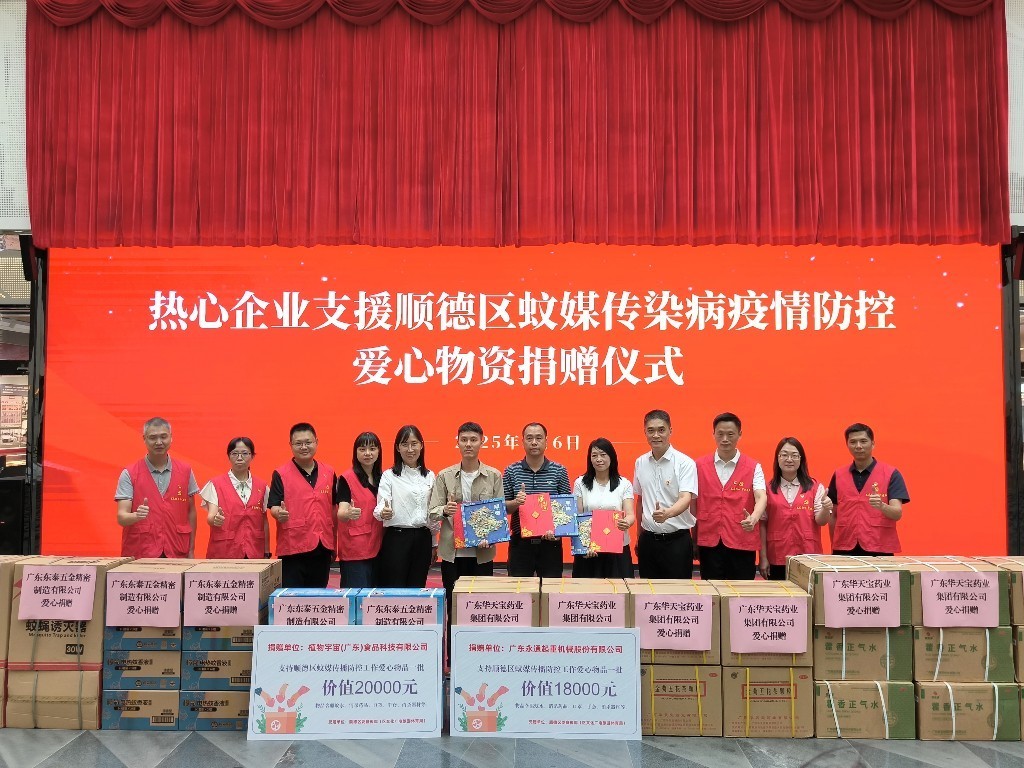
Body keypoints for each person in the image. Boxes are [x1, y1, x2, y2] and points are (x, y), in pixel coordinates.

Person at [429, 421, 502, 657]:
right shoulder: (444, 476)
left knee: (481, 607)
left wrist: (490, 536)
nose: (468, 444)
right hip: (453, 553)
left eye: (473, 440)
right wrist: (445, 510)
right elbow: (432, 511)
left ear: (482, 442)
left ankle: (479, 654)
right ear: (458, 443)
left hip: (482, 553)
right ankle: (454, 656)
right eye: (464, 440)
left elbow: (499, 514)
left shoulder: (494, 476)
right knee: (454, 605)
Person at [268, 422, 345, 588]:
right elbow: (274, 505)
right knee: (292, 598)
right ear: (290, 445)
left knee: (317, 596)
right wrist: (278, 513)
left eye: (308, 442)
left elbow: (333, 509)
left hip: (322, 547)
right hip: (293, 548)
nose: (304, 447)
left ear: (316, 442)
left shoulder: (329, 472)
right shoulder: (280, 474)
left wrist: (334, 544)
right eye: (298, 443)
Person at [692, 412, 767, 580]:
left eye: (730, 434)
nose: (725, 439)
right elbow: (692, 505)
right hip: (709, 541)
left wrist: (754, 518)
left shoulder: (753, 467)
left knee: (741, 592)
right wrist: (693, 538)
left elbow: (761, 496)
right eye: (720, 434)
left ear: (740, 434)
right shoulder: (698, 466)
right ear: (713, 434)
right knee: (711, 590)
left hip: (742, 539)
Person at [115, 417, 199, 558]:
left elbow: (191, 512)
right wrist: (136, 516)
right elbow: (121, 517)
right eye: (153, 437)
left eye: (163, 437)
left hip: (177, 549)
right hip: (142, 551)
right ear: (144, 439)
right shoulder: (130, 473)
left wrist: (191, 550)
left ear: (171, 437)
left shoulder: (185, 471)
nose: (159, 442)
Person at [632, 409, 698, 579]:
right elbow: (640, 500)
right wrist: (639, 536)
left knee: (678, 592)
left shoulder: (685, 463)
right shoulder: (640, 462)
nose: (656, 435)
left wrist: (667, 514)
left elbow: (686, 498)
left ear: (670, 431)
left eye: (661, 430)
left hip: (677, 542)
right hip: (648, 541)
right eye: (651, 430)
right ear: (645, 432)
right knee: (648, 591)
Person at [827, 423, 910, 557]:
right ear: (847, 445)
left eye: (863, 441)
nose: (858, 446)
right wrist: (833, 546)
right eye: (853, 442)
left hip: (879, 547)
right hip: (844, 547)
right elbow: (833, 515)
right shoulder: (839, 474)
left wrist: (882, 506)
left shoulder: (891, 474)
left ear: (873, 444)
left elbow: (897, 513)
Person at [502, 422, 571, 578]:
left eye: (539, 438)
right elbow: (503, 508)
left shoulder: (559, 470)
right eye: (529, 438)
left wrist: (557, 532)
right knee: (519, 589)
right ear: (522, 441)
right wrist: (516, 502)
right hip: (520, 543)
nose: (534, 442)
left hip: (550, 543)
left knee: (551, 590)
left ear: (546, 441)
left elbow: (567, 507)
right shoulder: (511, 470)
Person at [758, 437, 832, 580]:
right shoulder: (767, 489)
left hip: (809, 555)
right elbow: (762, 525)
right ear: (777, 458)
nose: (789, 459)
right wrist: (763, 557)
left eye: (794, 455)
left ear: (801, 459)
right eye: (784, 455)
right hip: (778, 555)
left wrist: (825, 508)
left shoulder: (815, 487)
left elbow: (821, 521)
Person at [374, 425, 437, 587]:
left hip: (423, 539)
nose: (410, 449)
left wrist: (434, 543)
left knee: (418, 587)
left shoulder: (430, 476)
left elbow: (432, 513)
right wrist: (383, 512)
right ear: (397, 448)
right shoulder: (389, 475)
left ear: (421, 445)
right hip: (397, 539)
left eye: (414, 444)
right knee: (394, 587)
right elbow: (381, 505)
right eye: (405, 444)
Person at [572, 438, 635, 579]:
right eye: (594, 455)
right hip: (589, 549)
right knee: (587, 590)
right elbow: (577, 516)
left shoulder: (624, 484)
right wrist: (583, 546)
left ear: (611, 457)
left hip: (617, 548)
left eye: (603, 455)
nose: (598, 459)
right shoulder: (580, 483)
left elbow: (630, 515)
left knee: (619, 590)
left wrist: (627, 522)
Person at [200, 437, 270, 559]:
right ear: (228, 456)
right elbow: (211, 515)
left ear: (252, 456)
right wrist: (215, 519)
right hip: (224, 551)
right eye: (235, 453)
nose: (239, 457)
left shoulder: (263, 486)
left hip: (254, 551)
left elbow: (264, 521)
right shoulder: (215, 484)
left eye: (245, 453)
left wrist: (266, 552)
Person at [335, 432, 385, 588]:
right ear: (355, 452)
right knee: (356, 597)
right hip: (355, 551)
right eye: (362, 449)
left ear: (379, 451)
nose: (367, 453)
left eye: (372, 449)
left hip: (380, 547)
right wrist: (348, 513)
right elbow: (341, 512)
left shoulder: (384, 478)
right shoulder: (347, 478)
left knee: (375, 598)